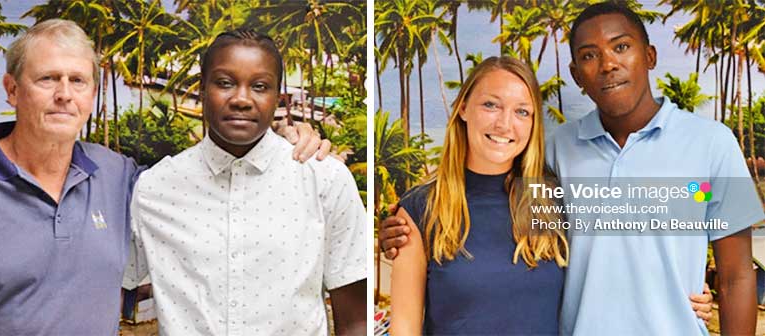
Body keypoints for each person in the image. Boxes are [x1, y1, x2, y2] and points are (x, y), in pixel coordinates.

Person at [0, 19, 329, 335]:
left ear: (92, 94)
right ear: (11, 89)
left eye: (77, 80)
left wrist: (288, 140)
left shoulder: (121, 179)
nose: (64, 94)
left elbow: (211, 188)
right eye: (47, 79)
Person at [380, 2, 752, 335]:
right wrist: (400, 229)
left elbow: (736, 276)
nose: (608, 63)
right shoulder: (557, 152)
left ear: (650, 55)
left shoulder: (713, 144)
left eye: (621, 47)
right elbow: (485, 209)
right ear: (575, 74)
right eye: (590, 55)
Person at [124, 29, 367, 335]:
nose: (241, 99)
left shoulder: (325, 180)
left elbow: (356, 321)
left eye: (260, 86)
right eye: (225, 83)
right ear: (202, 89)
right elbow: (110, 289)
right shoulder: (154, 189)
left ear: (278, 97)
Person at [390, 56, 568, 335]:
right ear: (463, 108)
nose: (505, 124)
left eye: (522, 112)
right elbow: (404, 328)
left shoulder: (554, 202)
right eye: (491, 105)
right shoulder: (419, 210)